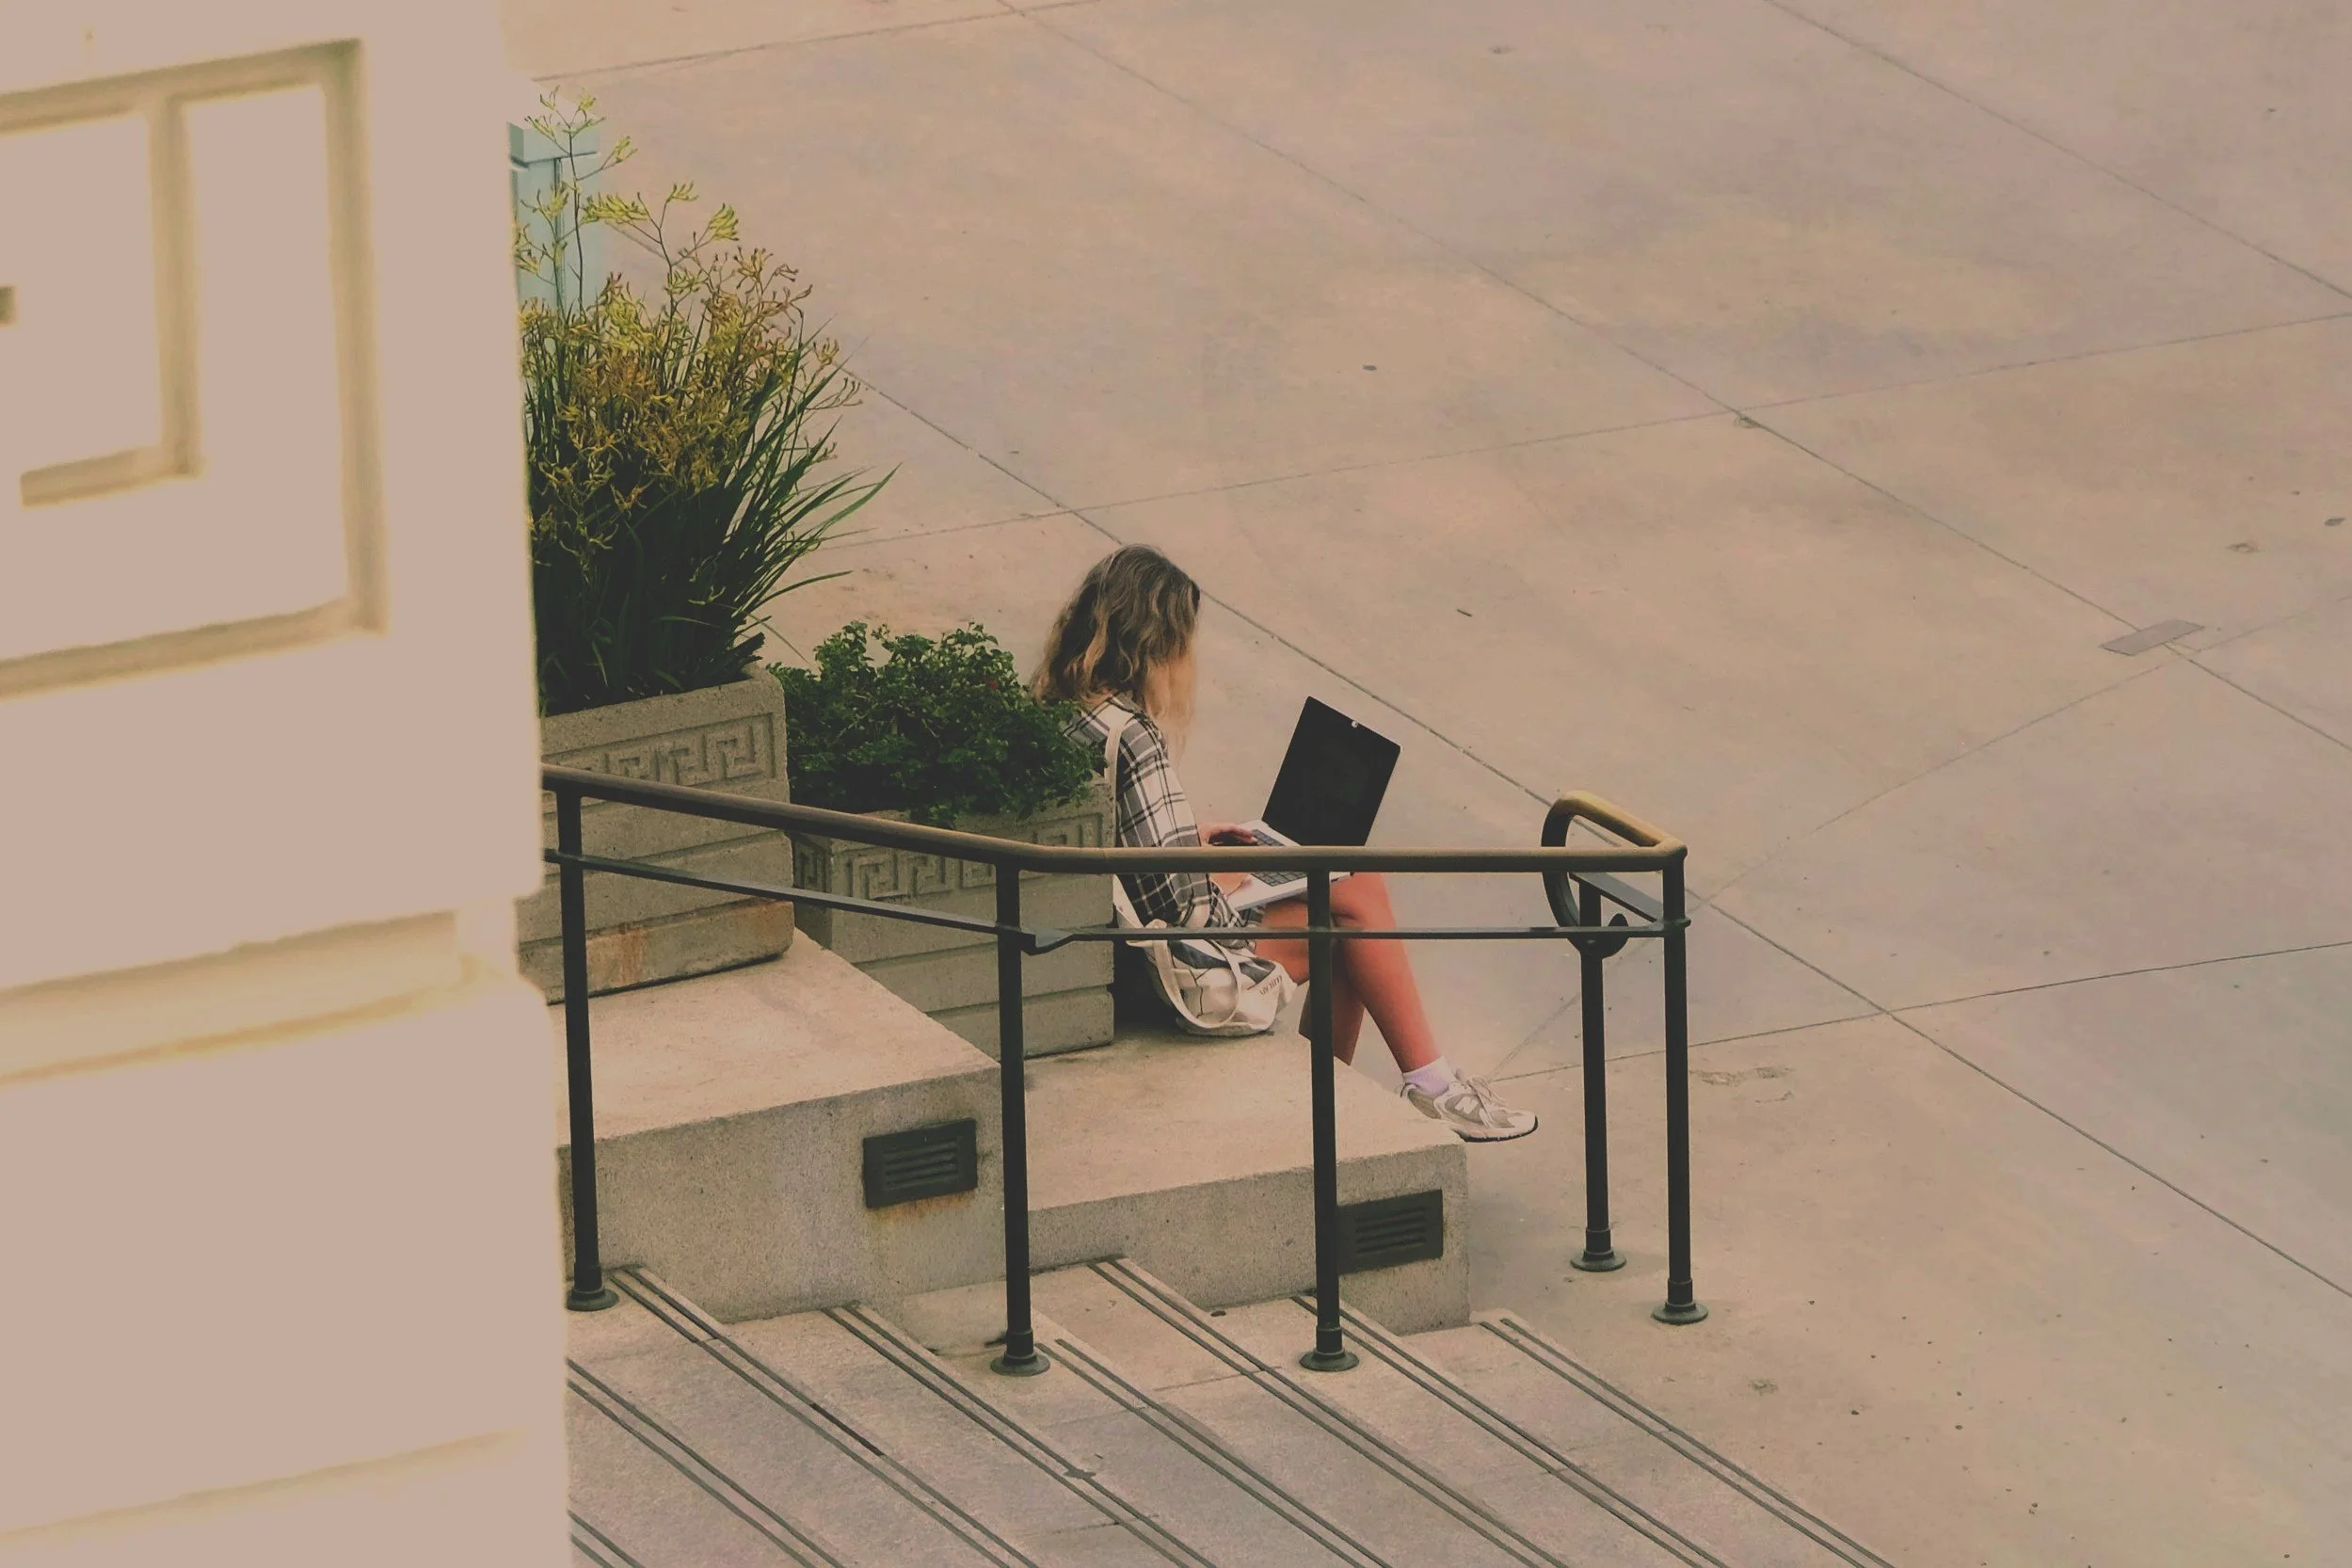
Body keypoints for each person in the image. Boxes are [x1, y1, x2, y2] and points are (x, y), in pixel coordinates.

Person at [1033, 544, 1538, 1143]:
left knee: (1347, 896)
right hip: (1174, 974)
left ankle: (1380, 1096)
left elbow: (1114, 844)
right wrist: (1230, 884)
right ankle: (1408, 1093)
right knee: (1352, 913)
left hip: (1109, 947)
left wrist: (1196, 843)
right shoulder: (1133, 733)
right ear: (1156, 642)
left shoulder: (1057, 702)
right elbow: (1181, 910)